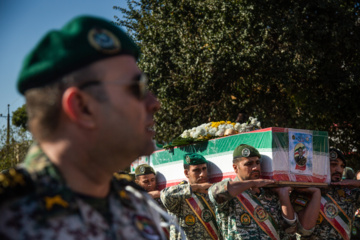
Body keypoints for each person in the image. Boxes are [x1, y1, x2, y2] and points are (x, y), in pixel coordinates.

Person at [0, 15, 170, 239]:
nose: (154, 103)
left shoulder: (134, 202)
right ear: (82, 107)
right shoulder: (9, 216)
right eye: (137, 87)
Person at [208, 144, 320, 240]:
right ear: (235, 168)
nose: (255, 168)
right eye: (249, 164)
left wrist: (283, 195)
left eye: (257, 163)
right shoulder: (230, 194)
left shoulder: (269, 193)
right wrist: (252, 183)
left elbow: (289, 229)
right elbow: (215, 193)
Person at [293, 148, 360, 240]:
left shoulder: (349, 192)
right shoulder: (305, 190)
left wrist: (355, 183)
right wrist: (316, 192)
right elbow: (304, 228)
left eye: (342, 166)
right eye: (334, 164)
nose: (339, 170)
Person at [160, 153, 221, 240]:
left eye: (204, 169)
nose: (202, 174)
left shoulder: (211, 191)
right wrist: (197, 187)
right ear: (186, 173)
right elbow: (165, 195)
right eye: (196, 170)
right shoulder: (180, 193)